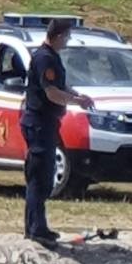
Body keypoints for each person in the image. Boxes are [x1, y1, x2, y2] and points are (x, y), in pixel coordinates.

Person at [20, 19, 94, 245]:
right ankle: (34, 229)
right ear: (59, 35)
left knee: (44, 176)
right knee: (39, 177)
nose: (68, 40)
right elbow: (51, 93)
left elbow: (61, 86)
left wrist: (78, 95)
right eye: (67, 36)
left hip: (48, 123)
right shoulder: (44, 58)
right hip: (39, 122)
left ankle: (38, 226)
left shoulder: (52, 58)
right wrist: (75, 101)